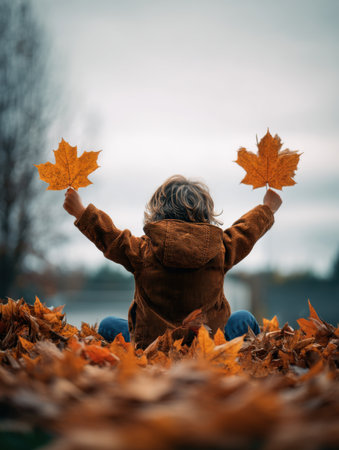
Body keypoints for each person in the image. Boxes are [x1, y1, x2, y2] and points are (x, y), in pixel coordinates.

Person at [63, 175, 282, 349]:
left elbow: (111, 238)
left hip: (153, 347)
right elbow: (246, 232)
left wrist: (81, 212)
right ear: (206, 213)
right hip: (210, 346)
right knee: (244, 319)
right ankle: (240, 355)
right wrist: (267, 209)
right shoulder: (220, 248)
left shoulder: (143, 250)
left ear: (157, 211)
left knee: (108, 325)